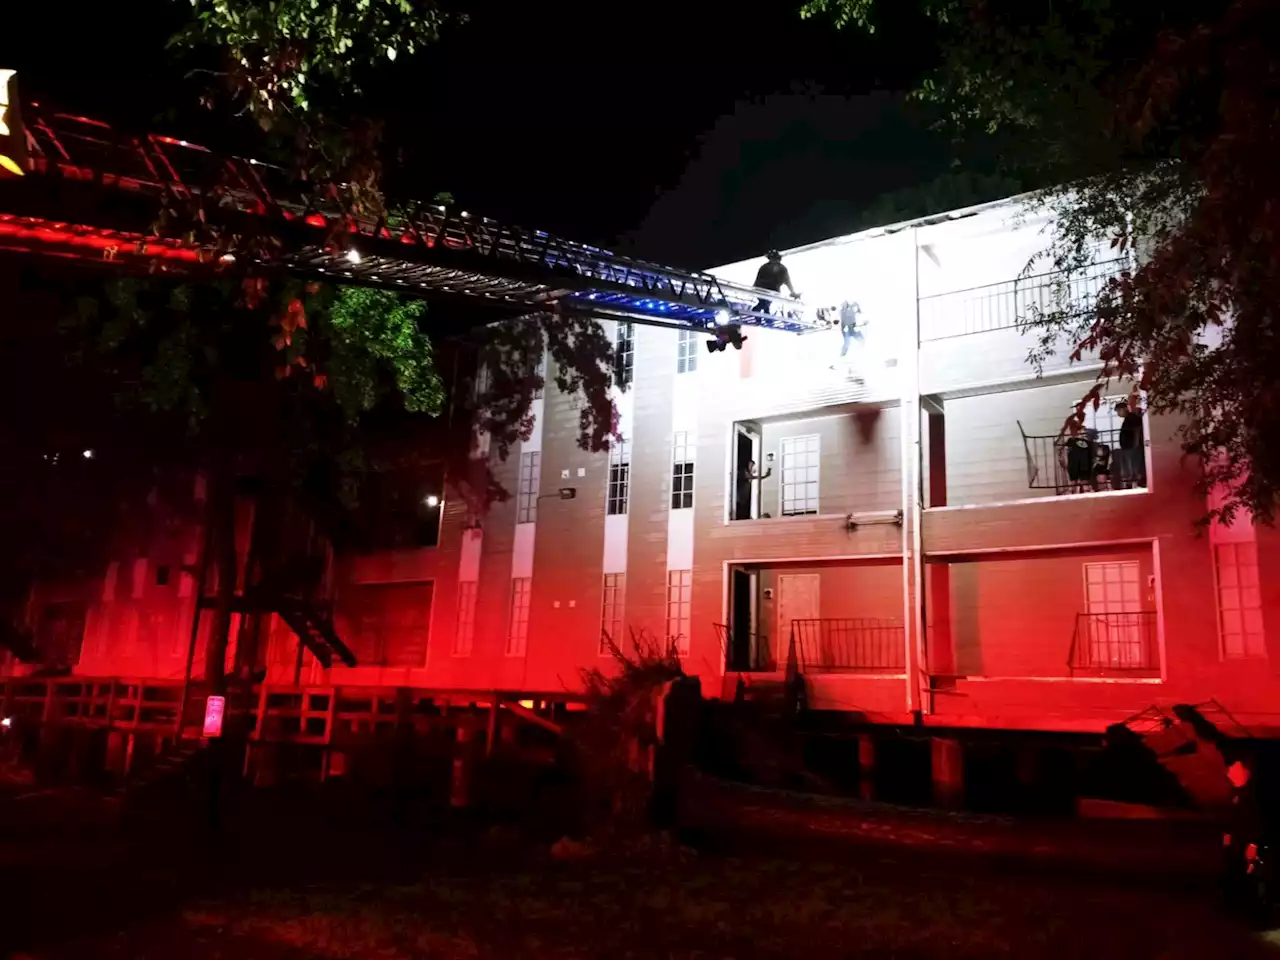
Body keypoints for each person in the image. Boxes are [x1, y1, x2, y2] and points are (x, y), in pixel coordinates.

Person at [1114, 399, 1146, 489]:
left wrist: (1136, 443)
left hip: (1132, 446)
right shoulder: (1128, 419)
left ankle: (1137, 483)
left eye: (1118, 411)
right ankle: (1133, 483)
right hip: (1128, 447)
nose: (1118, 414)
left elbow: (1137, 430)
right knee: (1130, 466)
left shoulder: (1132, 418)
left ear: (1123, 409)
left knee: (1134, 465)